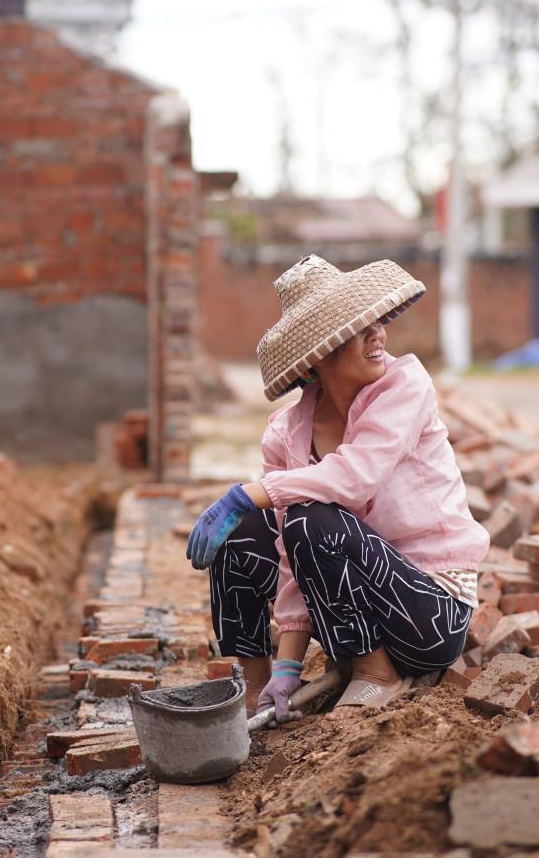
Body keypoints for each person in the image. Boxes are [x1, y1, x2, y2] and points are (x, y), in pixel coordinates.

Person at [187, 255, 489, 723]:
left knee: (309, 516)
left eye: (377, 323)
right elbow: (290, 557)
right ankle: (254, 685)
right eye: (359, 328)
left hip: (427, 613)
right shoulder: (286, 433)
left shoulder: (404, 386)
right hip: (349, 619)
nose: (379, 335)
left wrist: (254, 491)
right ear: (322, 352)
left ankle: (377, 673)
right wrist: (289, 663)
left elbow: (356, 476)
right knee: (244, 530)